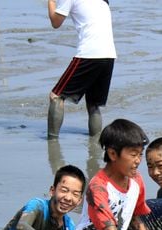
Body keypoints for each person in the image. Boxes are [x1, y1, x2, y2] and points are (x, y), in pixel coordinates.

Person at [47, 0, 116, 139]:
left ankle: (52, 142)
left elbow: (56, 22)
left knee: (56, 96)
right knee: (93, 104)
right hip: (109, 55)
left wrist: (51, 1)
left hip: (89, 54)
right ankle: (96, 143)